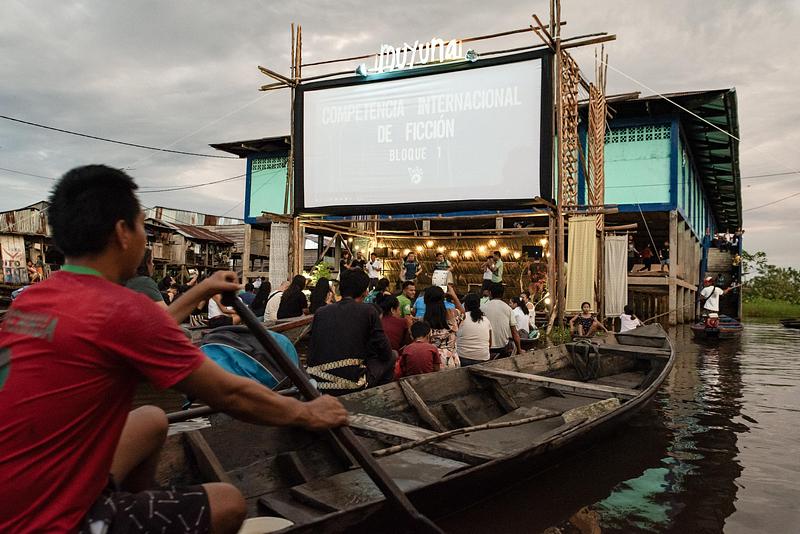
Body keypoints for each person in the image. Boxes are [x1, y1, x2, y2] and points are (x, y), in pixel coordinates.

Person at [0, 164, 347, 534]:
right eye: (140, 227)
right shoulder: (121, 309)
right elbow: (230, 393)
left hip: (23, 486)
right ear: (122, 233)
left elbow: (148, 328)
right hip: (50, 521)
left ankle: (135, 514)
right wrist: (309, 413)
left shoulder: (33, 299)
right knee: (228, 503)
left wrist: (202, 289)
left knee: (151, 419)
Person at [307, 268, 394, 394]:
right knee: (393, 356)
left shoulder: (321, 312)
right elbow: (385, 352)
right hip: (351, 384)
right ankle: (375, 400)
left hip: (316, 382)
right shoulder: (368, 311)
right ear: (365, 292)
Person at [423, 285, 461, 369]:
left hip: (432, 362)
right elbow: (462, 313)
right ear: (443, 299)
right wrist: (454, 296)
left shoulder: (423, 322)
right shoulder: (452, 314)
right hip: (452, 361)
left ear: (425, 301)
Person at [480, 282, 521, 358]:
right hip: (502, 347)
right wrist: (519, 350)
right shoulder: (508, 308)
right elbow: (514, 333)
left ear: (490, 293)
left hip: (486, 347)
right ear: (502, 294)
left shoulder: (482, 307)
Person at [456, 293, 492, 366]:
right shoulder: (486, 320)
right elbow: (490, 343)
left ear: (465, 305)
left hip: (463, 357)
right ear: (479, 305)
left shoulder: (461, 318)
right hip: (483, 358)